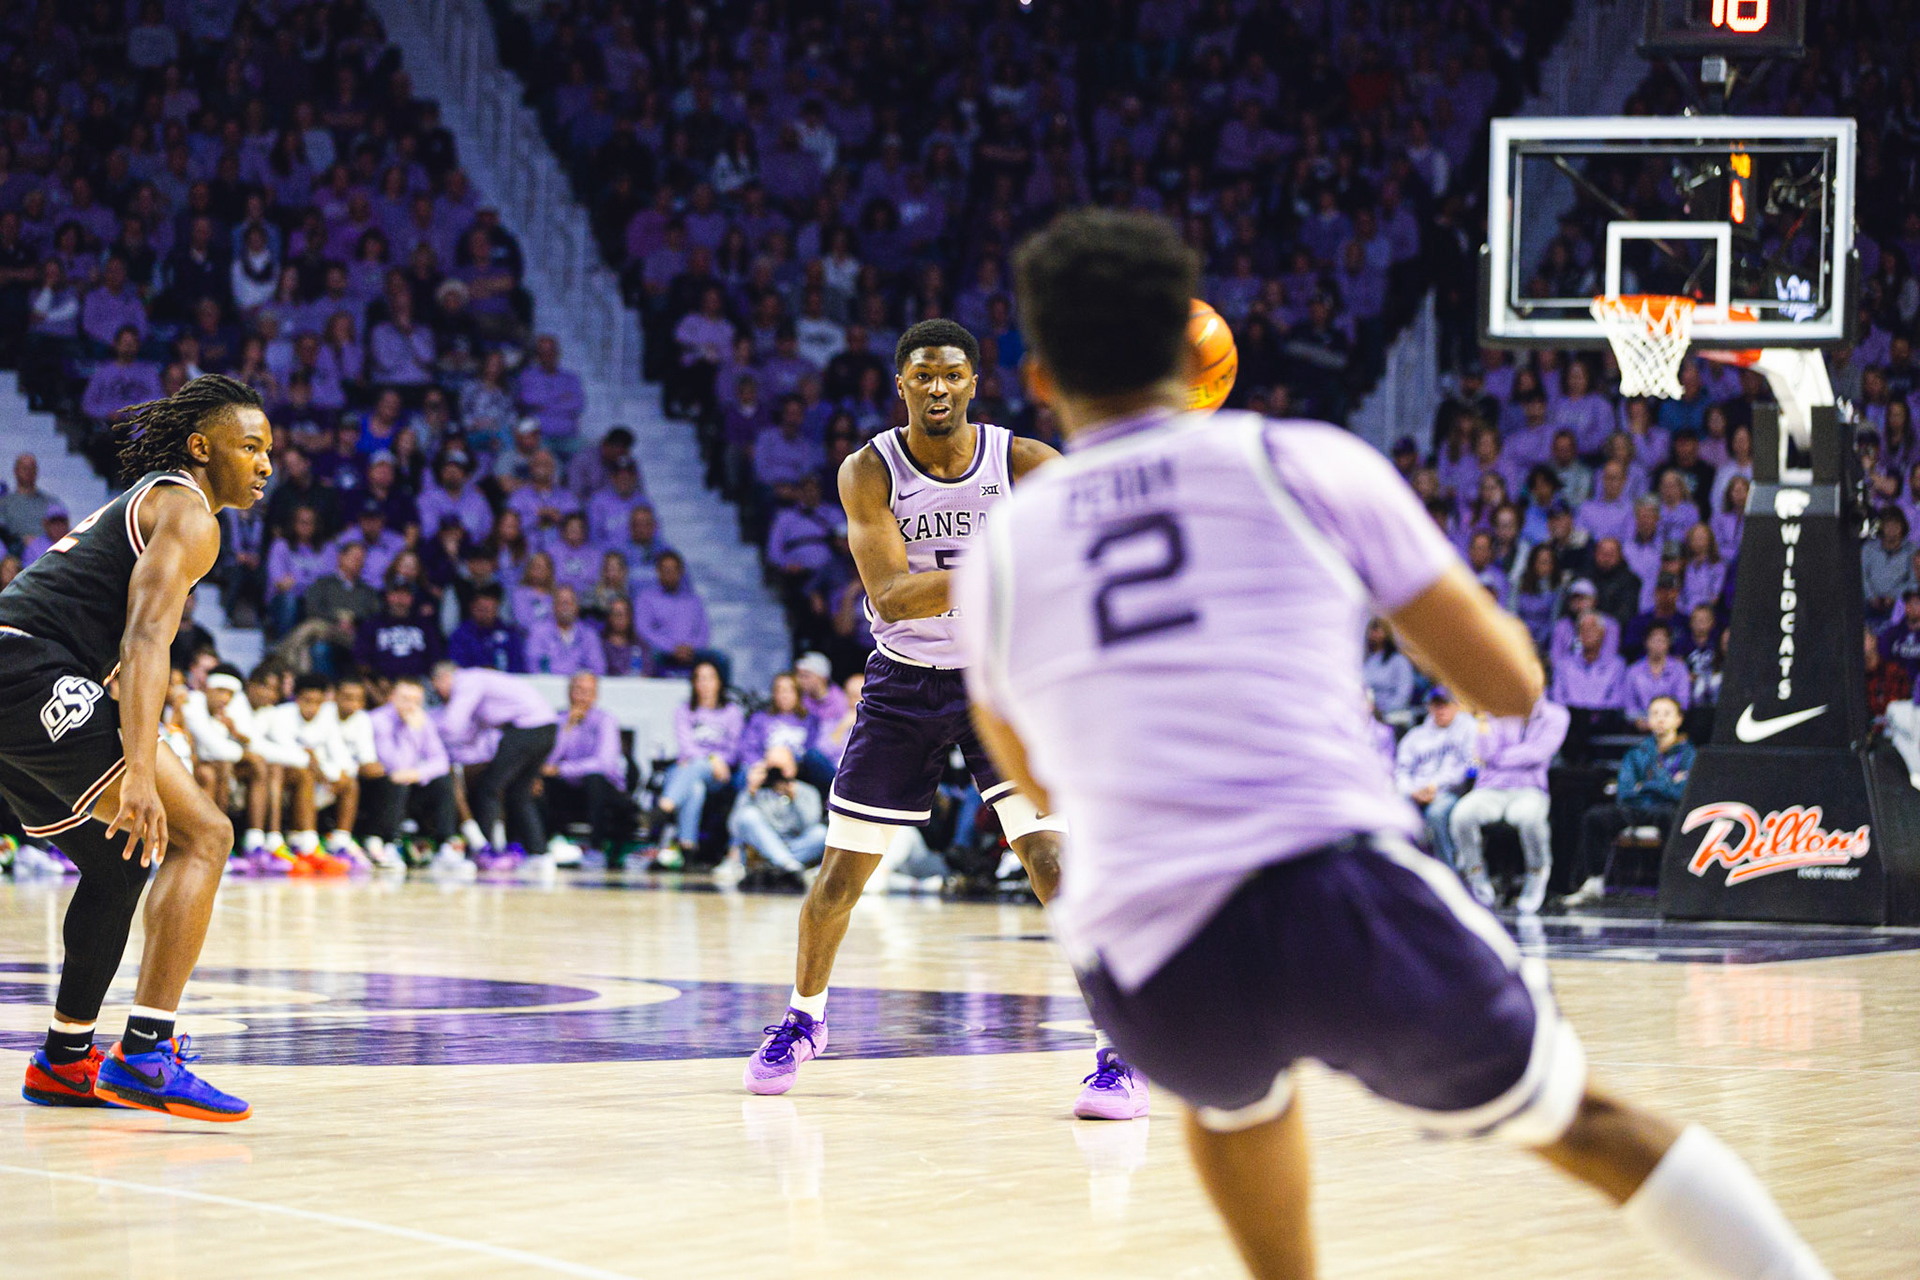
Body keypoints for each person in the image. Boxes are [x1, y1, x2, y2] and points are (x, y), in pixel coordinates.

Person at [950, 209, 1831, 1280]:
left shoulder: (1000, 550)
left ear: (1038, 378)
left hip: (1146, 952)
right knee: (1583, 1118)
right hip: (1331, 888)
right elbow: (1507, 688)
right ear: (1196, 351)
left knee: (1233, 1100)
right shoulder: (1299, 461)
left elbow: (1038, 775)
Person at [741, 317, 1138, 1123]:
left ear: (972, 383)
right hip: (903, 681)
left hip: (1003, 684)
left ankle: (1120, 1051)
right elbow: (890, 595)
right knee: (841, 876)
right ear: (902, 386)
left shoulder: (1027, 463)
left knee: (1053, 865)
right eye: (922, 374)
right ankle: (803, 1020)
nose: (937, 387)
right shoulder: (869, 471)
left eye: (951, 374)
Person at [0, 374, 268, 1121]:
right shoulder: (187, 510)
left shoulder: (152, 501)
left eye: (269, 450)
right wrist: (142, 770)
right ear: (201, 447)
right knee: (205, 834)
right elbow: (145, 636)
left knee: (118, 862)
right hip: (26, 674)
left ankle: (63, 1058)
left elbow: (125, 646)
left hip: (23, 677)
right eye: (250, 446)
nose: (265, 463)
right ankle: (148, 1052)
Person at [1565, 696, 1696, 908]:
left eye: (1667, 714)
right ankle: (1594, 880)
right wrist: (1667, 784)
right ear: (1648, 720)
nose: (1660, 719)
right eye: (1655, 714)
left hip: (1668, 810)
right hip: (1636, 808)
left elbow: (1684, 793)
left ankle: (1676, 884)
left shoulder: (1690, 755)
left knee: (1675, 818)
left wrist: (1645, 785)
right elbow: (1625, 792)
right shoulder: (1636, 754)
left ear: (1679, 719)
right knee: (1595, 817)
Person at [431, 662, 560, 867]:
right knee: (519, 793)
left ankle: (484, 851)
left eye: (436, 684)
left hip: (526, 729)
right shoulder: (481, 684)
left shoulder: (466, 680)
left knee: (489, 788)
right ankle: (539, 853)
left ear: (444, 678)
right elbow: (472, 732)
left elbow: (452, 725)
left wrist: (426, 732)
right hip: (546, 730)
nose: (437, 691)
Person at [656, 659, 744, 864]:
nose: (704, 684)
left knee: (697, 766)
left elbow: (733, 751)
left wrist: (712, 761)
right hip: (686, 769)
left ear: (719, 682)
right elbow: (686, 747)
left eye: (709, 678)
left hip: (719, 775)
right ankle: (688, 849)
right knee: (694, 787)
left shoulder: (732, 712)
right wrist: (711, 758)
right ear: (694, 683)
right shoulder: (684, 710)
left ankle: (664, 807)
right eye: (699, 679)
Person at [363, 676, 458, 867]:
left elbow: (441, 760)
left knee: (443, 781)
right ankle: (387, 844)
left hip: (409, 783)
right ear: (392, 697)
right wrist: (409, 730)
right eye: (405, 698)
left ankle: (445, 845)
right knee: (395, 784)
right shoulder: (377, 720)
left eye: (416, 701)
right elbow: (393, 766)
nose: (411, 705)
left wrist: (418, 773)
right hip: (379, 787)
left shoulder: (423, 720)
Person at [542, 671, 630, 863]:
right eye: (578, 690)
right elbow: (547, 762)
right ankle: (553, 843)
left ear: (596, 696)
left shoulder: (606, 720)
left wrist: (562, 769)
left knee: (593, 779)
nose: (582, 697)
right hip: (570, 787)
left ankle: (596, 848)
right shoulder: (557, 719)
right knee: (543, 783)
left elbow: (603, 764)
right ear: (569, 693)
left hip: (605, 788)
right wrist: (567, 728)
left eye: (588, 692)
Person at [1392, 687, 1476, 868]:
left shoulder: (1468, 727)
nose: (1441, 710)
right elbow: (1401, 771)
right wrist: (1412, 791)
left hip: (1450, 791)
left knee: (1436, 814)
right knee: (1397, 811)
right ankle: (1408, 871)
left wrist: (1434, 786)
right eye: (1436, 705)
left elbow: (1468, 767)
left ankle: (1449, 870)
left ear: (1456, 705)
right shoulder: (1415, 736)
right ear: (1429, 707)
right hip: (1416, 792)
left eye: (1445, 705)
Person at [725, 744, 826, 881]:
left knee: (821, 833)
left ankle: (776, 863)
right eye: (773, 768)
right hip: (763, 843)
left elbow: (810, 825)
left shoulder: (807, 791)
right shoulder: (756, 790)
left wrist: (795, 799)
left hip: (795, 843)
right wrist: (750, 792)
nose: (778, 773)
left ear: (794, 768)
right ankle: (787, 864)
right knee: (747, 815)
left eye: (783, 768)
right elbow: (735, 827)